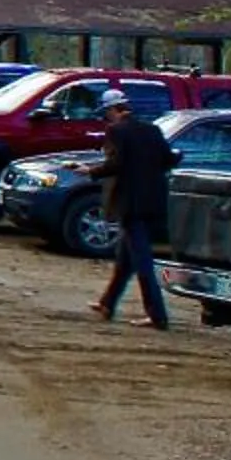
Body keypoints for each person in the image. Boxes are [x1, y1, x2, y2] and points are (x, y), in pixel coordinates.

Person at [86, 88, 176, 329]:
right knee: (125, 259)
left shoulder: (116, 131)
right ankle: (107, 303)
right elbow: (168, 160)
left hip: (129, 203)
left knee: (142, 260)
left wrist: (90, 171)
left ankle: (157, 315)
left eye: (106, 113)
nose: (106, 118)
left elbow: (116, 164)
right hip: (153, 201)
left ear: (113, 110)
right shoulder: (152, 130)